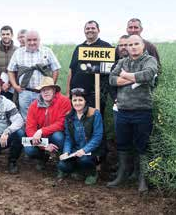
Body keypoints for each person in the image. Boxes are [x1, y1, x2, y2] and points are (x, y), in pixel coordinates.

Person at [108, 35, 158, 192]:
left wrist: (125, 75)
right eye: (130, 44)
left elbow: (148, 74)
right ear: (126, 47)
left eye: (136, 43)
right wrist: (135, 79)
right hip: (122, 110)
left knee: (142, 144)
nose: (133, 46)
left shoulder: (149, 60)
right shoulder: (122, 62)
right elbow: (111, 79)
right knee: (122, 143)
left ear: (143, 45)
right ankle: (122, 175)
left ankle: (142, 179)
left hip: (142, 110)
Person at [7, 30, 61, 119]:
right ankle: (28, 133)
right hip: (25, 92)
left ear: (39, 40)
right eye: (29, 40)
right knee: (26, 119)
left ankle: (43, 133)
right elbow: (10, 70)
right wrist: (15, 86)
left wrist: (51, 86)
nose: (32, 42)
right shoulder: (18, 52)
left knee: (44, 117)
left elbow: (56, 68)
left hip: (43, 92)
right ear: (25, 40)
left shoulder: (47, 51)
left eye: (35, 40)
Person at [58, 88, 103, 185]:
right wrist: (66, 152)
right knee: (62, 165)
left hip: (90, 151)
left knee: (84, 159)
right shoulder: (69, 116)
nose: (77, 103)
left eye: (80, 100)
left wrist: (84, 150)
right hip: (75, 150)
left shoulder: (94, 113)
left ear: (85, 101)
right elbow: (68, 138)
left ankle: (92, 173)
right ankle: (77, 170)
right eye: (74, 100)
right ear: (71, 102)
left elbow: (97, 137)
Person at [25, 77, 71, 170]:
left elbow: (62, 123)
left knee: (58, 136)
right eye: (43, 90)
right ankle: (42, 158)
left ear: (54, 90)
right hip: (42, 138)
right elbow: (30, 128)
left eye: (48, 89)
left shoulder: (64, 101)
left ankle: (63, 159)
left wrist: (42, 131)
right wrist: (44, 146)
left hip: (57, 134)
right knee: (28, 149)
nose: (45, 92)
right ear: (40, 92)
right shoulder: (33, 106)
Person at [66, 20, 112, 110]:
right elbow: (71, 70)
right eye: (87, 28)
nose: (90, 30)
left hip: (95, 95)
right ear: (84, 31)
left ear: (98, 30)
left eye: (93, 28)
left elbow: (110, 70)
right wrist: (68, 93)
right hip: (76, 93)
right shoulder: (79, 48)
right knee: (77, 121)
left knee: (95, 120)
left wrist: (102, 92)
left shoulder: (106, 47)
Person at [0, 25, 17, 100]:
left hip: (13, 87)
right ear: (0, 35)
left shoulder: (17, 51)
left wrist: (10, 84)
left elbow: (18, 69)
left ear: (12, 35)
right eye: (3, 34)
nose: (5, 36)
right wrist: (1, 83)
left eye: (8, 34)